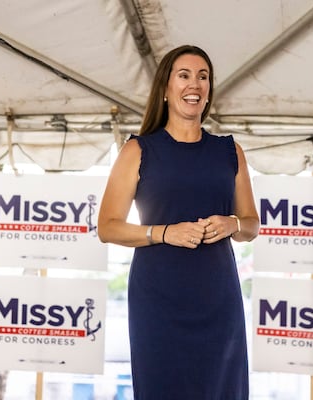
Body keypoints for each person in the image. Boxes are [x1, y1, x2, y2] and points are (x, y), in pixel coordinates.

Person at [98, 44, 259, 399]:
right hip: (159, 300)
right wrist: (163, 233)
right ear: (166, 89)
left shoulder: (230, 152)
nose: (195, 84)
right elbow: (107, 226)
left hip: (219, 299)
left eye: (203, 77)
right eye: (184, 75)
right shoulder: (138, 150)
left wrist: (232, 224)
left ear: (209, 91)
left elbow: (252, 225)